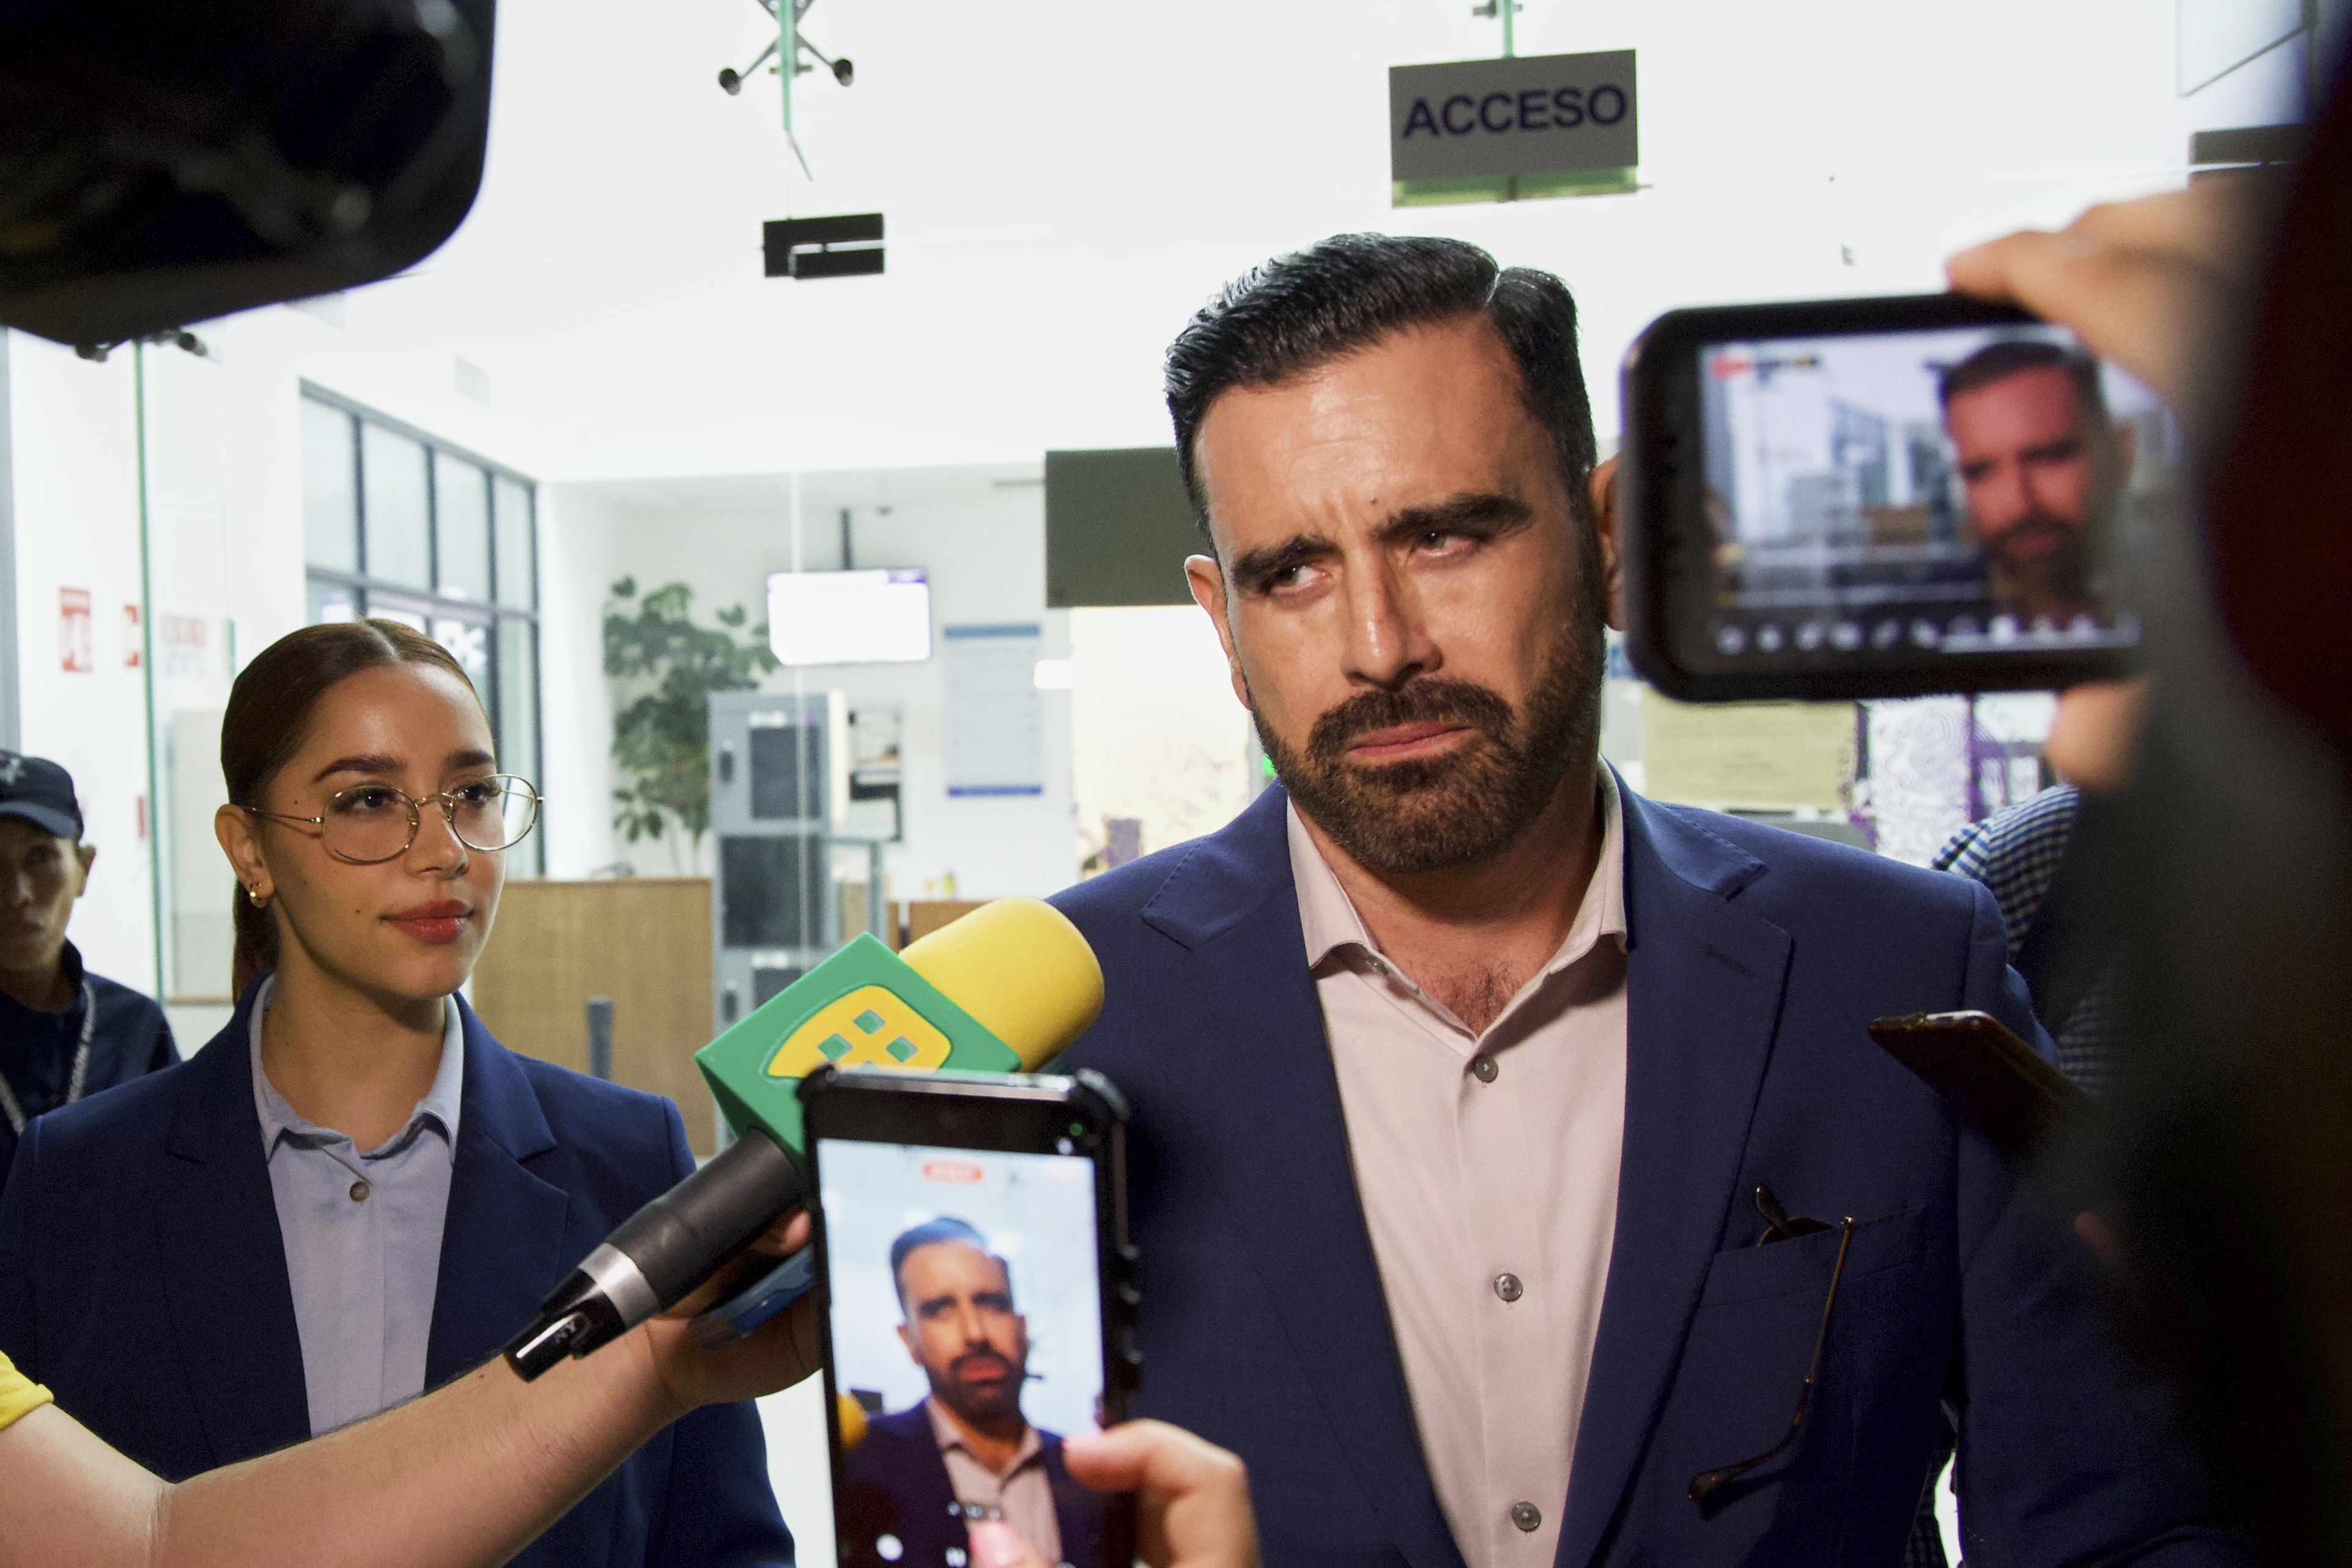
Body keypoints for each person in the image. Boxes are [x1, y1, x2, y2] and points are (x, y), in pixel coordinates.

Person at [1051, 234, 2244, 1567]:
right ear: (1222, 619)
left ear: (1605, 538)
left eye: (1444, 535)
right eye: (1293, 573)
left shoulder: (1898, 963)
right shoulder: (1069, 1014)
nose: (1378, 646)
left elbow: (2119, 1530)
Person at [0, 619, 789, 1567]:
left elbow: (722, 1547)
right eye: (369, 798)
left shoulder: (632, 1163)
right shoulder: (78, 1182)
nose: (443, 849)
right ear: (249, 850)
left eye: (473, 794)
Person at [840, 1217, 1106, 1568]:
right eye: (940, 1310)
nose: (975, 1332)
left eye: (992, 1303)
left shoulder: (1090, 1472)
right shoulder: (859, 1466)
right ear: (909, 1341)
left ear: (1022, 1326)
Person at [0, 750, 174, 1199]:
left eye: (39, 858)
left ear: (83, 868)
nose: (16, 894)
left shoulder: (135, 1027)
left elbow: (179, 1190)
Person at [1937, 337, 2132, 631]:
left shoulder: (2205, 603)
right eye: (1981, 472)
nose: (2020, 504)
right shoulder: (1897, 629)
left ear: (2121, 454)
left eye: (2050, 457)